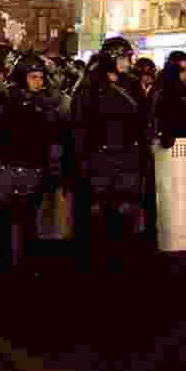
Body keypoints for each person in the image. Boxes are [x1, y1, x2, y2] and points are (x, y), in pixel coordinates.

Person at [0, 53, 64, 274]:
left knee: (27, 223)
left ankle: (21, 270)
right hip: (7, 171)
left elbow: (52, 139)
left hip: (32, 171)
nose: (39, 81)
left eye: (40, 77)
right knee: (6, 223)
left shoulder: (45, 105)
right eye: (33, 77)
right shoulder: (1, 102)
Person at [70, 37, 146, 272]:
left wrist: (141, 153)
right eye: (124, 58)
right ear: (111, 58)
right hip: (99, 158)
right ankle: (96, 258)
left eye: (128, 58)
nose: (127, 62)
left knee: (125, 209)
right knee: (98, 210)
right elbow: (80, 125)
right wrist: (82, 158)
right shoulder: (89, 86)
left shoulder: (132, 85)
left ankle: (122, 256)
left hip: (127, 156)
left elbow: (142, 121)